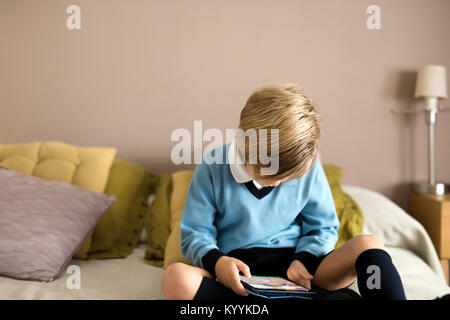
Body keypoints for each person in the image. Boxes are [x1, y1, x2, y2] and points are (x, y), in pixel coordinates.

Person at [161, 82, 406, 300]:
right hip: (240, 273)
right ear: (246, 145)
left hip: (302, 270)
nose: (278, 184)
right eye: (273, 177)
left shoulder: (309, 167)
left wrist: (303, 260)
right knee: (176, 279)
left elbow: (322, 227)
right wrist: (218, 263)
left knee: (369, 243)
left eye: (288, 179)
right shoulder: (212, 167)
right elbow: (196, 233)